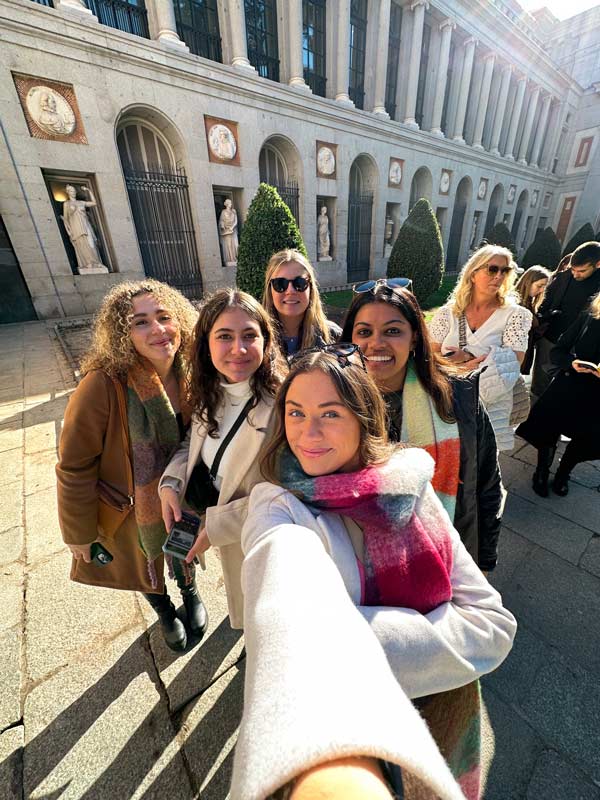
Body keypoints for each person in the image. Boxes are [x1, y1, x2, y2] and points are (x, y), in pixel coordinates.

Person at [238, 350, 516, 799]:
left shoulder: (408, 487)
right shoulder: (278, 507)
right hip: (353, 724)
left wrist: (345, 634)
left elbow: (493, 625)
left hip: (444, 721)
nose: (308, 432)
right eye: (296, 412)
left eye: (330, 413)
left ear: (363, 417)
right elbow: (288, 613)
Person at [56, 280, 203, 652]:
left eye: (163, 316)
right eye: (140, 322)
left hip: (182, 494)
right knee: (143, 561)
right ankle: (164, 610)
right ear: (123, 333)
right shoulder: (102, 384)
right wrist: (78, 532)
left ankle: (190, 592)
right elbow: (74, 465)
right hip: (130, 507)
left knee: (183, 543)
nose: (157, 330)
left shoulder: (195, 372)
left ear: (179, 320)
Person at [341, 282, 503, 573]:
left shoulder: (456, 400)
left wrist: (484, 558)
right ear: (351, 339)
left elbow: (487, 483)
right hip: (355, 565)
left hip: (438, 557)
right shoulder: (333, 403)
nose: (376, 343)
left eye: (392, 331)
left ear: (415, 337)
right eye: (364, 332)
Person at [159, 289, 281, 630]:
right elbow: (192, 442)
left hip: (258, 537)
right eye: (224, 336)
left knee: (263, 617)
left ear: (266, 341)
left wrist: (217, 526)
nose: (238, 349)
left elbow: (291, 492)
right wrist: (171, 482)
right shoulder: (209, 390)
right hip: (215, 516)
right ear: (206, 344)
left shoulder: (287, 406)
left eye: (249, 336)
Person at [429, 244, 532, 451]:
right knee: (448, 454)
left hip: (490, 402)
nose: (499, 276)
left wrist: (466, 355)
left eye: (506, 270)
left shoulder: (515, 314)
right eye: (493, 269)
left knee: (482, 460)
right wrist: (451, 362)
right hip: (450, 397)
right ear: (473, 273)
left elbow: (514, 361)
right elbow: (430, 353)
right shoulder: (448, 312)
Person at [517, 292, 600, 497]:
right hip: (569, 383)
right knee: (548, 428)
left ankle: (564, 474)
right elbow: (558, 351)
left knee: (586, 438)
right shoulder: (588, 318)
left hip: (597, 396)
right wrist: (571, 363)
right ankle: (542, 471)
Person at [531, 241, 600, 399]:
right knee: (539, 388)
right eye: (573, 269)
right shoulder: (565, 275)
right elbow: (547, 299)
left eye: (581, 271)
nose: (575, 275)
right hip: (551, 339)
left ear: (598, 264)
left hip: (581, 349)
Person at [262, 249, 341, 357]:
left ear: (311, 288)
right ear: (270, 290)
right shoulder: (257, 339)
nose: (290, 291)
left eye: (299, 283)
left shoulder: (334, 336)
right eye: (280, 284)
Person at [61, 185, 107, 273]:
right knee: (82, 245)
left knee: (91, 244)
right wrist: (69, 231)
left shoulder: (81, 202)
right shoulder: (66, 204)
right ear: (68, 192)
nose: (73, 193)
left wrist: (89, 190)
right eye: (71, 191)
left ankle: (96, 262)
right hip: (76, 227)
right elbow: (66, 219)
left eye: (74, 191)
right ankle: (88, 263)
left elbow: (94, 203)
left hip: (86, 225)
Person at [515, 265, 552, 375]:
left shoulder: (530, 302)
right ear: (528, 282)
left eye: (544, 287)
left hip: (524, 355)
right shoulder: (516, 304)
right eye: (539, 286)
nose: (541, 290)